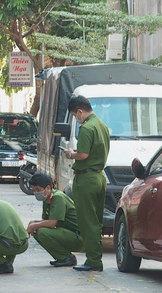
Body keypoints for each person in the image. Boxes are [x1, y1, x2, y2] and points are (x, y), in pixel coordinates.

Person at [63, 95, 110, 272]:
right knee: (96, 221)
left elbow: (83, 155)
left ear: (80, 111)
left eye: (76, 115)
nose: (77, 117)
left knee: (87, 221)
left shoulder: (87, 128)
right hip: (99, 177)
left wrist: (70, 154)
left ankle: (93, 260)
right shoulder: (102, 126)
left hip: (86, 179)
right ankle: (95, 257)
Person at [26, 173, 83, 267]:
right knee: (37, 230)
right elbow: (46, 220)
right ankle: (61, 257)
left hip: (78, 237)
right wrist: (34, 222)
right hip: (67, 233)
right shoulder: (47, 198)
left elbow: (52, 223)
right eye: (34, 190)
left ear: (48, 188)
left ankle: (67, 258)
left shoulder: (58, 197)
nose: (36, 193)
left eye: (38, 190)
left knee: (42, 232)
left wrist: (33, 225)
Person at [0, 191, 29, 274]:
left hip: (5, 245)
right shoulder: (5, 203)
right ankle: (9, 264)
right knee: (12, 236)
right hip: (24, 244)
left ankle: (2, 263)